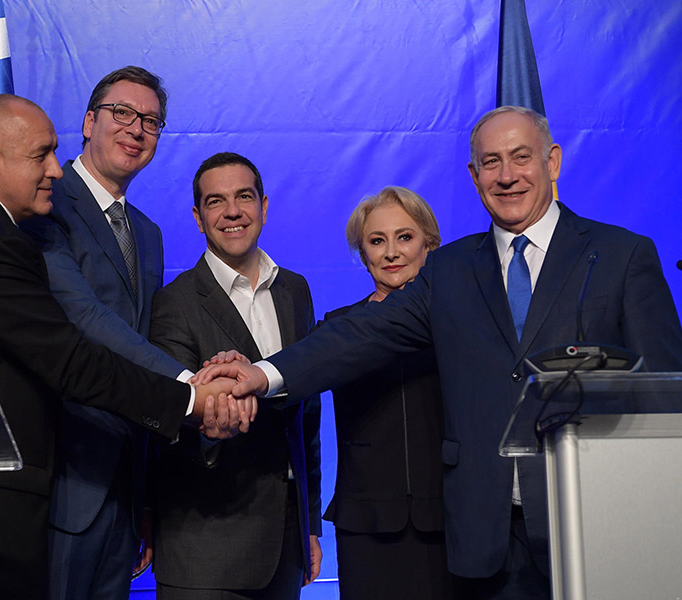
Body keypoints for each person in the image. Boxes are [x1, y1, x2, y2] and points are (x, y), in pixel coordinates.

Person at [195, 106, 682, 598]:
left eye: (520, 157)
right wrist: (262, 374)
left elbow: (665, 400)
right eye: (491, 162)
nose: (507, 175)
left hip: (596, 523)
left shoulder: (622, 255)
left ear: (552, 162)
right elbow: (359, 335)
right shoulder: (449, 270)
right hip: (485, 539)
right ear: (474, 176)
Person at [0, 94, 248, 600]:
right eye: (42, 155)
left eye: (151, 121)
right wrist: (188, 399)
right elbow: (72, 359)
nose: (55, 169)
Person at [21, 66, 192, 599]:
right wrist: (191, 387)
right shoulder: (45, 201)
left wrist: (144, 495)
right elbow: (87, 319)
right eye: (122, 113)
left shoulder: (149, 232)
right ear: (89, 121)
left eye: (151, 121)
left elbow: (145, 341)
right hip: (60, 474)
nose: (136, 129)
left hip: (124, 484)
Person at [149, 152, 322, 599]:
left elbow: (308, 415)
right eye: (215, 201)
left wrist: (310, 522)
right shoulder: (174, 303)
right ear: (198, 216)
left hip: (286, 544)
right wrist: (211, 423)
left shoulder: (296, 291)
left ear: (264, 206)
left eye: (244, 197)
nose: (232, 212)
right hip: (206, 550)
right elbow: (165, 421)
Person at [323, 186, 455, 600]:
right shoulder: (337, 328)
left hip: (448, 519)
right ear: (364, 254)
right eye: (377, 241)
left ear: (429, 245)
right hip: (367, 527)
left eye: (405, 237)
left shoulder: (459, 324)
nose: (391, 252)